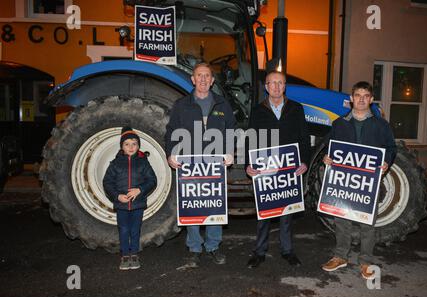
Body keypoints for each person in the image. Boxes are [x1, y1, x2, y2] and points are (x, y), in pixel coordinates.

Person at [321, 81, 397, 280]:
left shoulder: (381, 125)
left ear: (371, 99)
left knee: (367, 224)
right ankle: (340, 256)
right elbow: (330, 148)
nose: (361, 99)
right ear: (351, 99)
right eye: (358, 95)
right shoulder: (339, 123)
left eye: (366, 96)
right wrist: (327, 158)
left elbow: (391, 148)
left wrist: (387, 163)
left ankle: (366, 261)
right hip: (344, 182)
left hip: (369, 183)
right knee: (342, 220)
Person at [165, 62, 236, 268]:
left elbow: (231, 128)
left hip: (215, 164)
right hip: (190, 164)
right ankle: (194, 248)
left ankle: (213, 246)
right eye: (199, 76)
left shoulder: (222, 104)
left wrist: (230, 152)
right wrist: (171, 154)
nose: (203, 79)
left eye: (207, 76)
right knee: (192, 205)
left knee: (214, 205)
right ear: (193, 79)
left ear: (212, 81)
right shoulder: (181, 105)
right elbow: (171, 131)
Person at [245, 70, 311, 268]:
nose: (276, 86)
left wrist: (305, 161)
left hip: (289, 168)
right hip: (266, 168)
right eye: (272, 83)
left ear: (285, 86)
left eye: (280, 83)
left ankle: (287, 250)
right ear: (266, 87)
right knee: (265, 212)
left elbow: (304, 137)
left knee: (287, 213)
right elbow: (251, 138)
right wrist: (249, 163)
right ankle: (259, 252)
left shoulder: (296, 109)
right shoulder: (257, 111)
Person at [103, 127, 157, 270]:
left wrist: (140, 190)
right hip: (121, 205)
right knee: (124, 229)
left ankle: (134, 254)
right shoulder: (115, 163)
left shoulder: (143, 162)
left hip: (137, 204)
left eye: (134, 143)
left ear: (138, 146)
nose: (131, 147)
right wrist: (117, 196)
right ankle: (124, 255)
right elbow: (107, 182)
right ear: (122, 146)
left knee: (135, 229)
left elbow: (152, 180)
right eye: (127, 144)